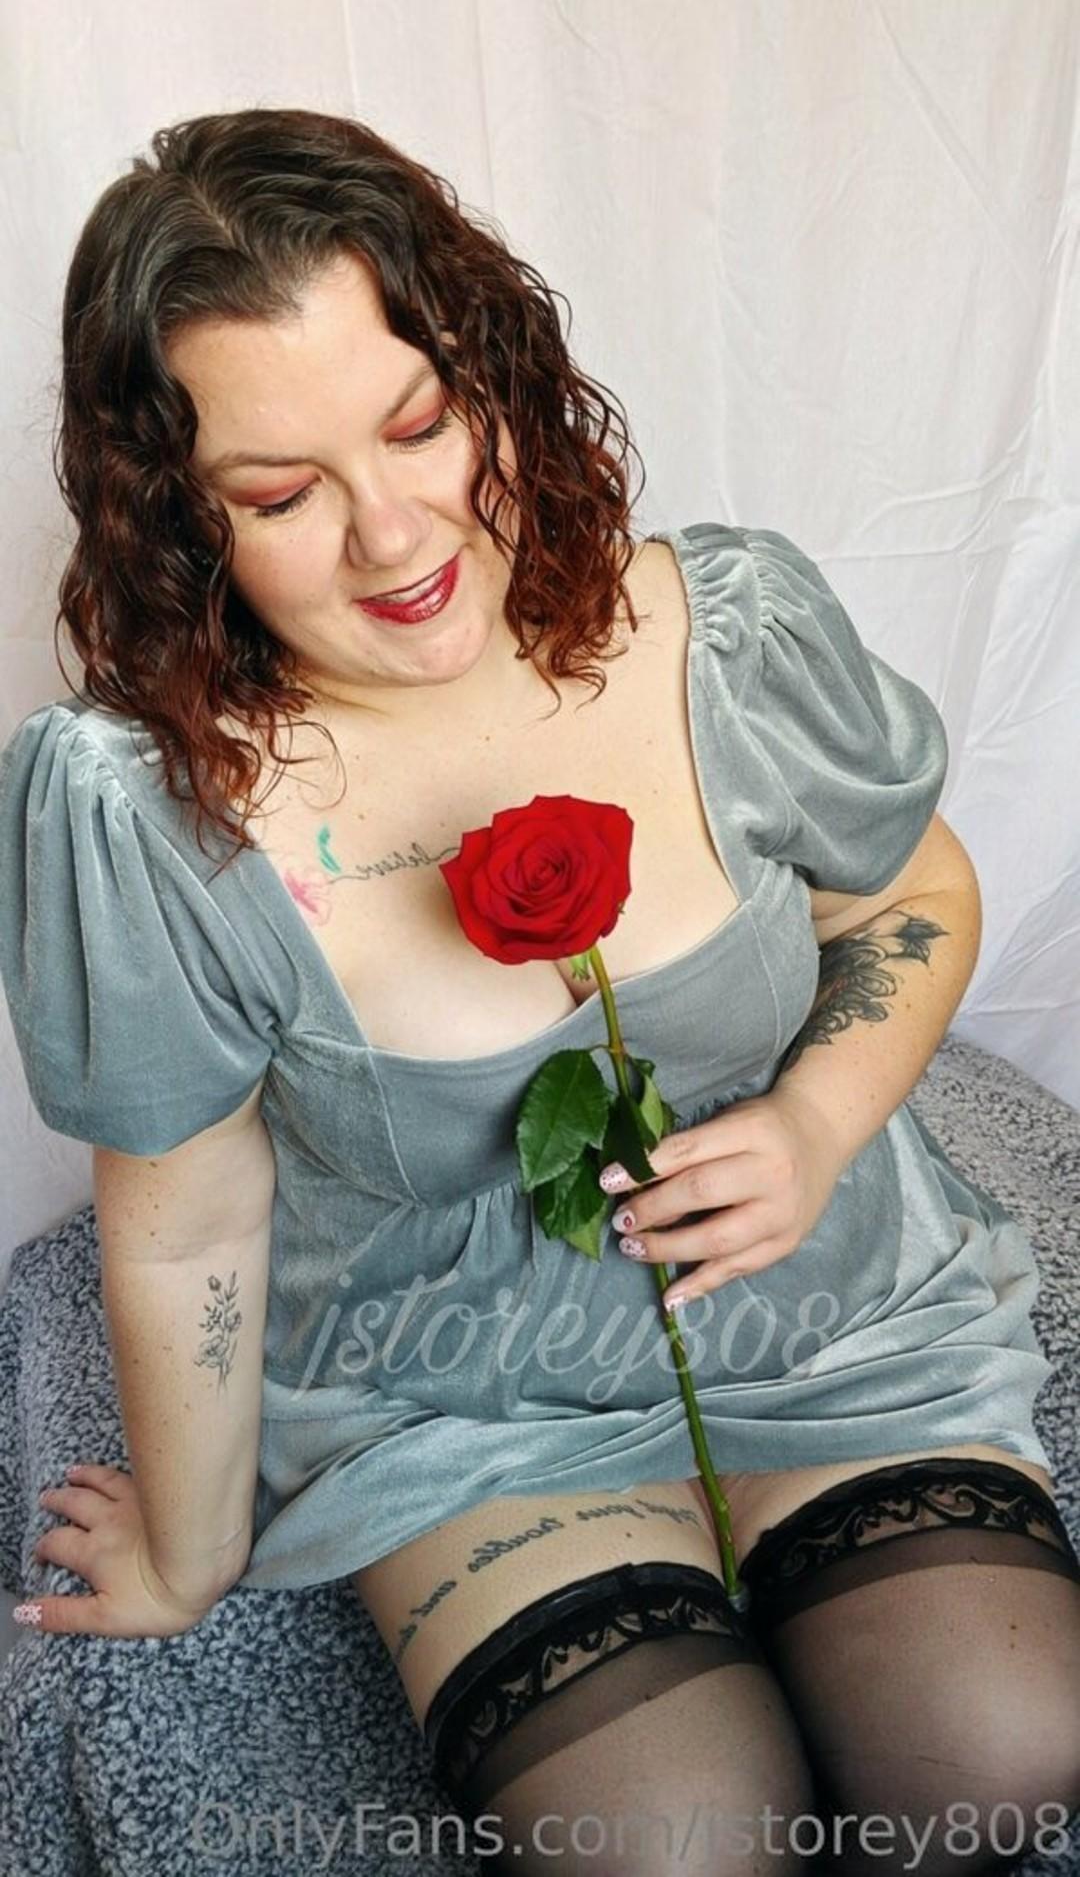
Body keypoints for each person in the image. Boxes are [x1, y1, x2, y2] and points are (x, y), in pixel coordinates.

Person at [0, 106, 1077, 1877]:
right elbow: (187, 1221)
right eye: (279, 495)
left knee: (1002, 1741)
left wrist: (814, 1125)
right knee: (674, 1845)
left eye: (421, 422)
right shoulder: (149, 812)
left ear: (496, 376)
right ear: (180, 524)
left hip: (826, 1313)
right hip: (459, 1395)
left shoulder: (718, 628)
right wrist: (192, 1549)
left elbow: (910, 891)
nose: (391, 532)